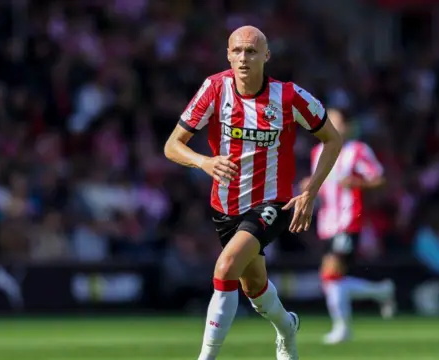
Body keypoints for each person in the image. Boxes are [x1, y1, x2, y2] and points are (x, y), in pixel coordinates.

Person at [164, 26, 343, 360]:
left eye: (251, 51)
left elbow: (333, 140)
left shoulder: (289, 97)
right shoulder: (214, 89)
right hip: (226, 207)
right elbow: (172, 145)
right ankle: (287, 328)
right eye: (237, 51)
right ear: (228, 55)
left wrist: (310, 192)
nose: (243, 58)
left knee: (225, 265)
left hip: (271, 203)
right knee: (254, 287)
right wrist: (203, 162)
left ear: (266, 56)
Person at [301, 109, 395, 345]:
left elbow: (380, 179)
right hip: (326, 222)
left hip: (348, 218)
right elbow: (320, 185)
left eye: (336, 121)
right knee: (330, 279)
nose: (330, 124)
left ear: (348, 126)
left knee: (332, 274)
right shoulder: (317, 152)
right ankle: (380, 291)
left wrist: (357, 182)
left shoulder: (357, 151)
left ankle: (343, 328)